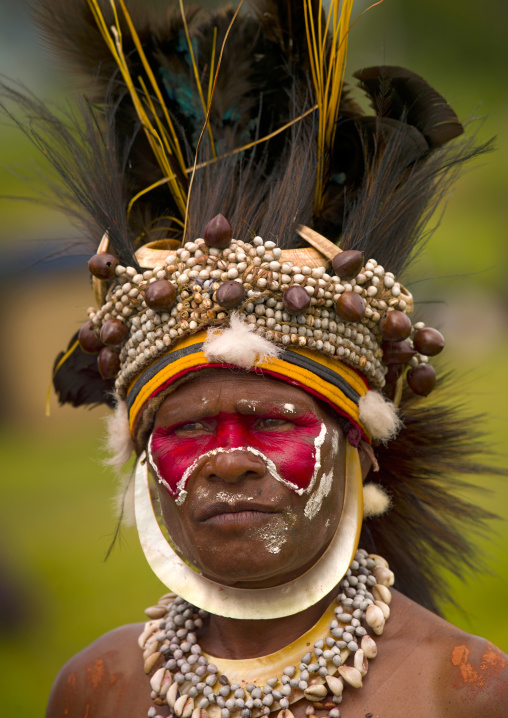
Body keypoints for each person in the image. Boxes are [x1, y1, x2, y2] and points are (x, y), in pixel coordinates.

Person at [11, 1, 506, 716]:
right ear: (142, 464)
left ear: (359, 447)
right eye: (185, 431)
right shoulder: (98, 688)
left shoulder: (463, 689)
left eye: (271, 420)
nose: (231, 459)